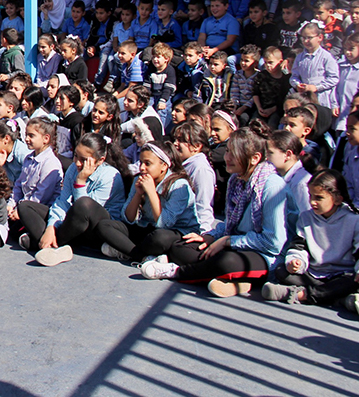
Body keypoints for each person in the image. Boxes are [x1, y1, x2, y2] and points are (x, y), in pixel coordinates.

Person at [141, 127, 287, 298]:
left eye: (233, 153)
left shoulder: (272, 186)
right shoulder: (237, 180)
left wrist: (228, 241)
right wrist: (210, 236)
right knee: (181, 248)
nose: (227, 158)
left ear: (255, 158)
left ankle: (176, 272)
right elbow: (231, 224)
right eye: (227, 151)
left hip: (265, 255)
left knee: (226, 261)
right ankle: (235, 281)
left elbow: (273, 242)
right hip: (235, 243)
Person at [17, 133, 126, 266]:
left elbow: (85, 211)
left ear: (100, 160)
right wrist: (51, 227)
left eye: (84, 160)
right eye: (75, 156)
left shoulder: (110, 176)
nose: (77, 163)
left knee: (83, 204)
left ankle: (50, 244)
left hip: (96, 229)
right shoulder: (73, 168)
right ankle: (52, 244)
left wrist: (80, 182)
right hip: (72, 224)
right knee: (25, 207)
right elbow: (63, 201)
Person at [261, 171, 359, 308]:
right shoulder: (306, 217)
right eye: (310, 196)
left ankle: (300, 294)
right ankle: (336, 297)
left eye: (319, 198)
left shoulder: (354, 220)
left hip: (341, 274)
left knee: (352, 281)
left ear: (337, 199)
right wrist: (295, 262)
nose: (312, 202)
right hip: (314, 274)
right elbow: (299, 246)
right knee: (281, 270)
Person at [95, 141, 200, 262]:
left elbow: (164, 223)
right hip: (149, 227)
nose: (142, 168)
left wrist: (151, 192)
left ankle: (126, 250)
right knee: (105, 225)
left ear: (164, 166)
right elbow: (127, 218)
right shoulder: (139, 179)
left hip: (175, 232)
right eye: (141, 163)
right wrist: (138, 194)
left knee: (159, 239)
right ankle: (142, 256)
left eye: (147, 164)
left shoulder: (179, 186)